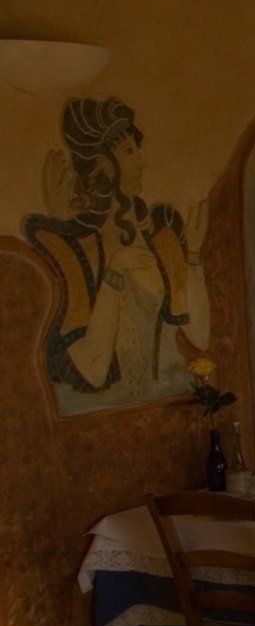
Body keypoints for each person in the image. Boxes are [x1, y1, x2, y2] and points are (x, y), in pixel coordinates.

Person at [26, 98, 209, 405]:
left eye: (138, 149)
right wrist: (114, 272)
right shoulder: (80, 249)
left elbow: (200, 336)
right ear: (103, 164)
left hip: (169, 402)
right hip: (106, 414)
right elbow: (94, 371)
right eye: (128, 152)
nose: (142, 161)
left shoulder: (159, 233)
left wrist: (193, 256)